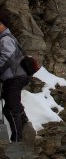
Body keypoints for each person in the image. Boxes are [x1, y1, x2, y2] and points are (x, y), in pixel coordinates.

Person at [0, 11, 29, 142]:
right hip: (16, 76)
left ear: (2, 25)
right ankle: (26, 124)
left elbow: (8, 57)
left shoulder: (5, 39)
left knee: (11, 108)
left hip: (15, 77)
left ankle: (18, 139)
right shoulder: (6, 37)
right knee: (11, 107)